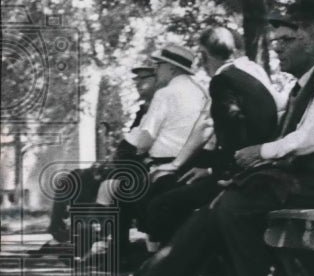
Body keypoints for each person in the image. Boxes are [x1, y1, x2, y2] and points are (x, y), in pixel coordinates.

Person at [91, 0, 314, 276]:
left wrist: (261, 153)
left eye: (307, 25)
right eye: (301, 25)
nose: (302, 32)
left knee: (233, 204)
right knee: (222, 203)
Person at [140, 26, 281, 246]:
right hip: (260, 163)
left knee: (163, 201)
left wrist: (205, 169)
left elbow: (226, 131)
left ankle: (171, 266)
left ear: (205, 55)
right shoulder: (252, 71)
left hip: (243, 171)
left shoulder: (223, 80)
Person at [89, 45, 207, 261]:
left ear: (171, 69)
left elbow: (143, 143)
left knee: (114, 186)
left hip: (165, 167)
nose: (157, 69)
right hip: (196, 165)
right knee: (120, 182)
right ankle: (132, 252)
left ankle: (123, 253)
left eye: (159, 65)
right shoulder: (202, 92)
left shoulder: (165, 94)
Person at [36, 64, 160, 256]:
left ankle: (87, 238)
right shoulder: (143, 109)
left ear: (157, 79)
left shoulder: (159, 107)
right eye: (137, 79)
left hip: (139, 168)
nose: (138, 83)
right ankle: (61, 235)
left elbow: (142, 147)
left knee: (91, 181)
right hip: (125, 165)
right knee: (74, 177)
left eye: (144, 79)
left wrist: (115, 162)